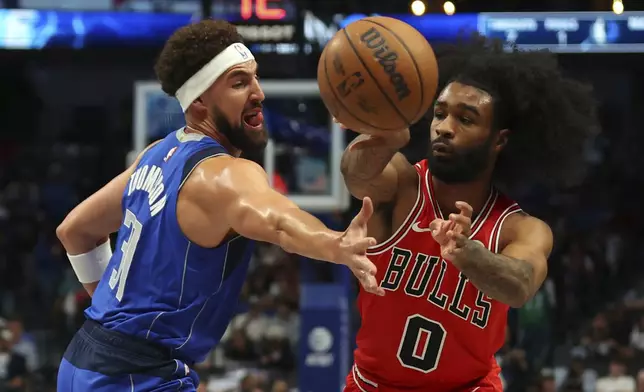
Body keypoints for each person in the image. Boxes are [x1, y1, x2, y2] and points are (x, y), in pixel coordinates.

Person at [55, 20, 382, 392]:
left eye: (255, 78)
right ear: (198, 101)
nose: (258, 93)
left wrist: (112, 317)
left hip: (86, 358)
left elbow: (75, 231)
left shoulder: (155, 154)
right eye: (239, 83)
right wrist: (333, 244)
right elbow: (277, 221)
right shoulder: (225, 174)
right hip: (136, 376)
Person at [340, 35, 600, 391]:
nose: (445, 127)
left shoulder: (520, 229)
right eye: (440, 113)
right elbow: (356, 174)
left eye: (466, 119)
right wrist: (384, 136)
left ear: (499, 140)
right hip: (372, 385)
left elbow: (520, 285)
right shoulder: (402, 185)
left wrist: (471, 255)